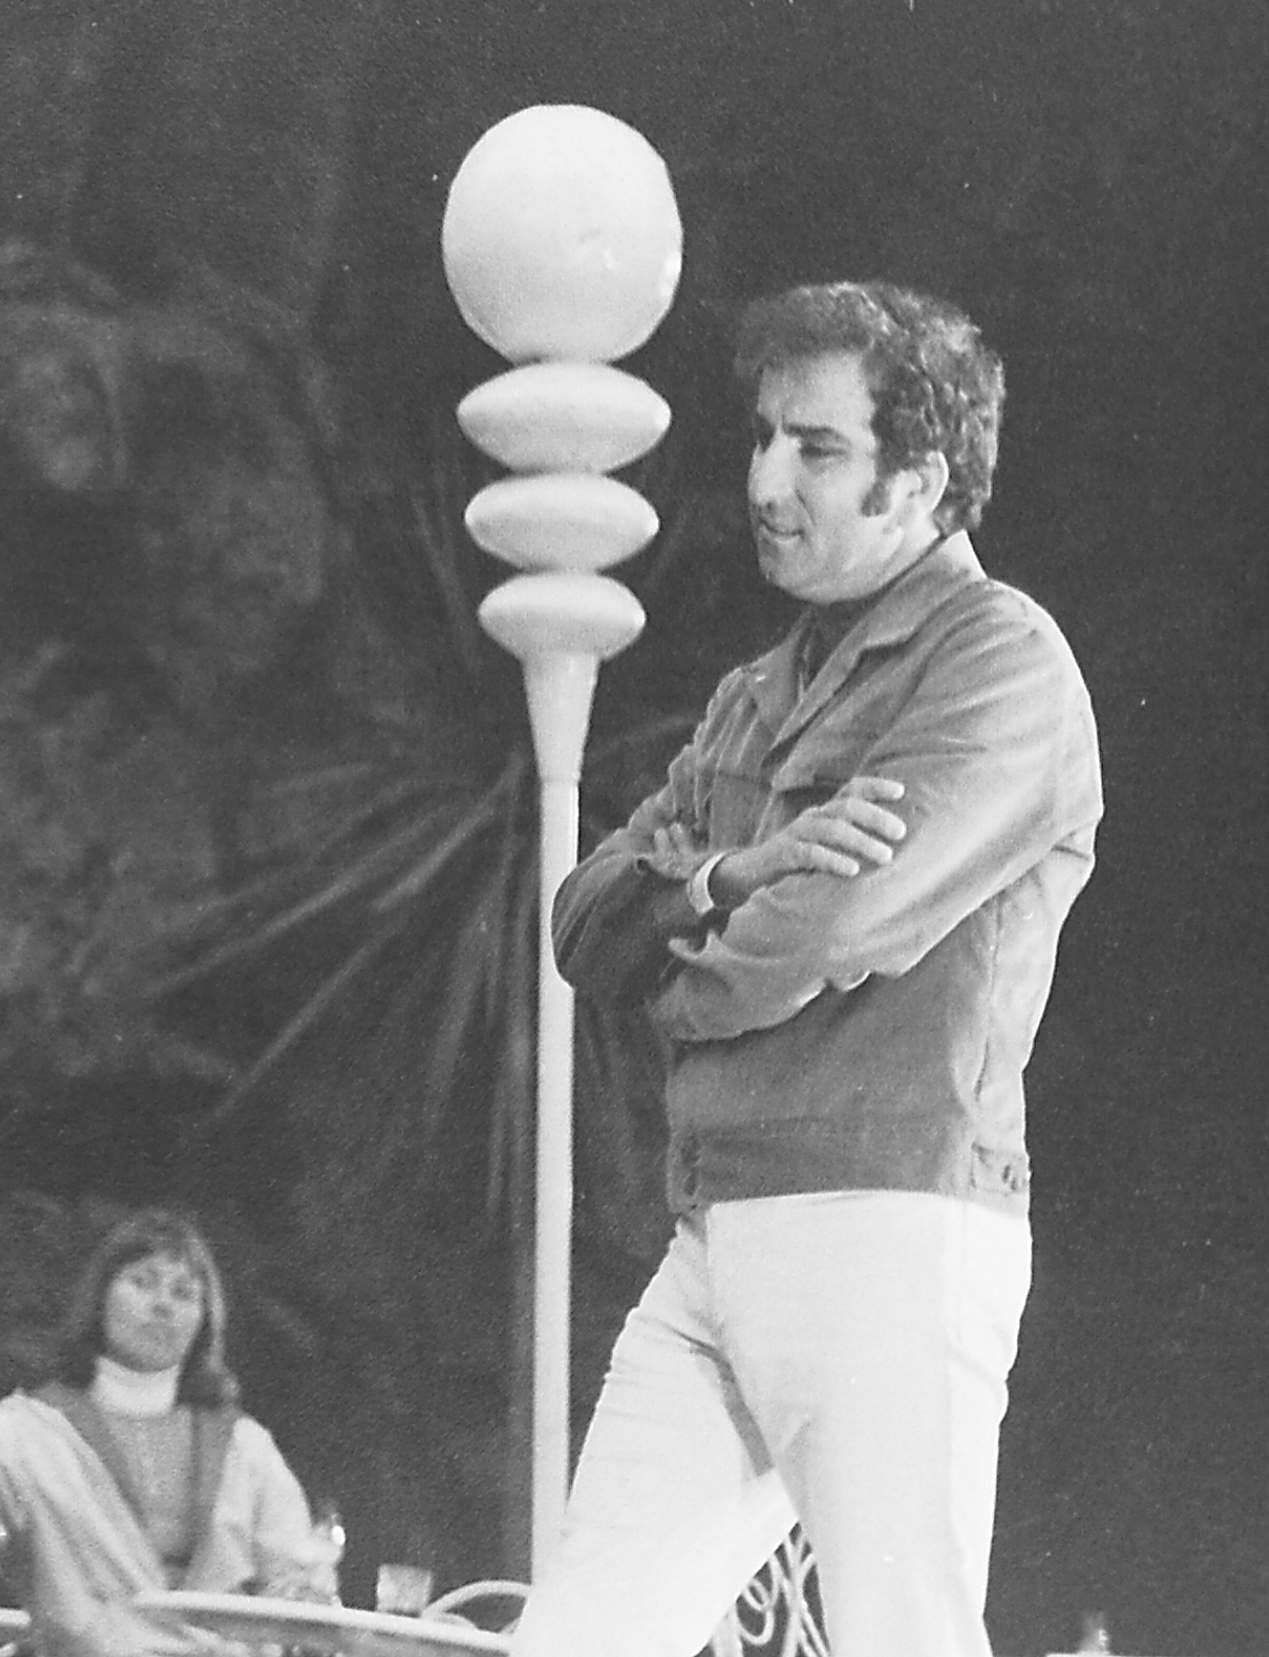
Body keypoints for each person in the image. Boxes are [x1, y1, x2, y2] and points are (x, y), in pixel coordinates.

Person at [511, 282, 1103, 1657]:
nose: (768, 481)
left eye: (818, 449)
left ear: (926, 479)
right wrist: (729, 876)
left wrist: (674, 965)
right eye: (765, 437)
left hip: (887, 1227)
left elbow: (821, 934)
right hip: (718, 1230)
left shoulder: (1001, 661)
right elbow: (581, 919)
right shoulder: (756, 691)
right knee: (578, 1639)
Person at [0, 1209, 336, 1657]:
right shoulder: (28, 1433)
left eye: (184, 1293)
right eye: (142, 1282)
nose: (162, 1304)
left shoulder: (246, 1448)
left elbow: (298, 1583)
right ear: (100, 1298)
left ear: (205, 1321)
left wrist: (306, 1591)